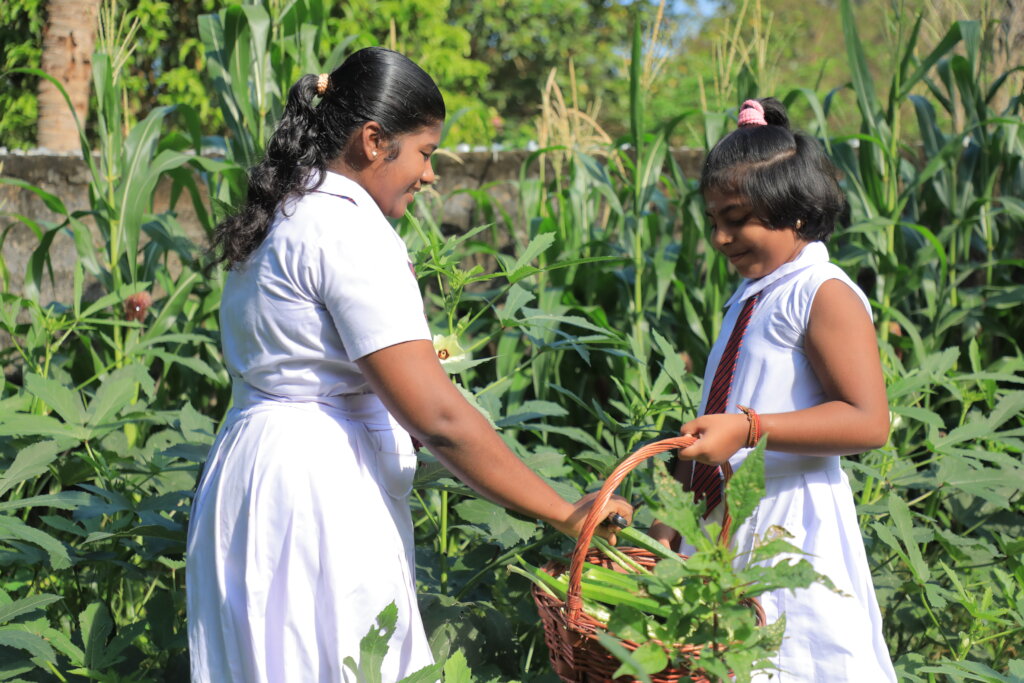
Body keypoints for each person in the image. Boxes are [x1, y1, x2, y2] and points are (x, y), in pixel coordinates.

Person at [185, 47, 631, 683]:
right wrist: (563, 509)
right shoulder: (349, 232)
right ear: (374, 140)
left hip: (250, 475)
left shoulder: (282, 215)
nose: (429, 176)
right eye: (425, 152)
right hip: (317, 493)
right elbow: (439, 416)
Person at [650, 98, 897, 681]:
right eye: (713, 221)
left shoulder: (821, 291)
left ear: (798, 214)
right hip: (722, 523)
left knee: (791, 659)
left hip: (790, 530)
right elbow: (715, 418)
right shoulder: (753, 294)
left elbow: (869, 423)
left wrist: (751, 429)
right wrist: (669, 525)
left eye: (737, 219)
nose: (720, 238)